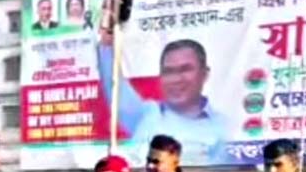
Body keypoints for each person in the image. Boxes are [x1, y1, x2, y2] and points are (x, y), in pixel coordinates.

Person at [96, 32, 227, 165]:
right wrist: (106, 44)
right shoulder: (146, 114)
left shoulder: (225, 127)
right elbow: (114, 85)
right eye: (169, 71)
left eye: (185, 69)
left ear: (204, 74)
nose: (176, 79)